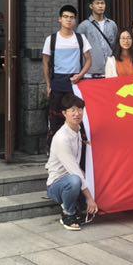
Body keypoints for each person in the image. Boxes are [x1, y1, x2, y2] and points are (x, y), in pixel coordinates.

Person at [45, 94, 99, 230]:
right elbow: (75, 171)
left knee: (85, 178)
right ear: (64, 113)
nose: (77, 113)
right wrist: (90, 199)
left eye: (80, 109)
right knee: (75, 180)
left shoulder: (77, 130)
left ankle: (77, 206)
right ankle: (68, 214)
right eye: (72, 110)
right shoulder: (62, 138)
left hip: (71, 177)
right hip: (57, 185)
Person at [42, 5, 92, 147]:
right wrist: (48, 85)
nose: (68, 20)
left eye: (71, 17)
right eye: (65, 17)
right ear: (60, 19)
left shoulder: (80, 38)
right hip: (57, 82)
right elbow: (45, 64)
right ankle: (54, 149)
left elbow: (89, 60)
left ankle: (80, 149)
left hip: (75, 83)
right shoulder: (51, 39)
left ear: (75, 20)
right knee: (56, 117)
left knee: (78, 116)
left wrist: (80, 75)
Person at [77, 0, 118, 79]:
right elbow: (79, 50)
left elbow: (115, 45)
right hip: (91, 73)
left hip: (110, 71)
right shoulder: (83, 26)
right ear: (91, 6)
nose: (100, 6)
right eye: (97, 3)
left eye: (102, 3)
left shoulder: (112, 24)